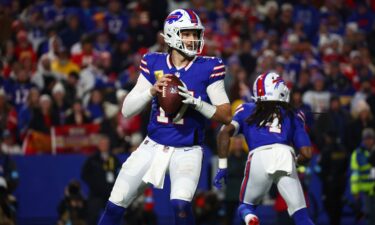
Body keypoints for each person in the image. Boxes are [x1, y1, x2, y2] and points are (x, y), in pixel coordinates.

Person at [98, 9, 231, 225]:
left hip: (188, 149)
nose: (193, 39)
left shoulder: (209, 67)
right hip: (152, 145)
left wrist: (196, 102)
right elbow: (127, 110)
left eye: (195, 34)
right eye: (187, 34)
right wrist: (150, 92)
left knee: (181, 206)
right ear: (171, 34)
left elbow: (226, 115)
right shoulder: (153, 62)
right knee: (116, 202)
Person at [214, 72, 314, 225]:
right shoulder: (294, 113)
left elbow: (224, 133)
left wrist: (222, 166)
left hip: (258, 156)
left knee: (245, 206)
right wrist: (295, 162)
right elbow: (307, 153)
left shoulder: (246, 109)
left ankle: (251, 218)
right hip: (285, 155)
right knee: (301, 216)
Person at [81, 134, 120, 225]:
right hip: (96, 194)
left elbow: (119, 172)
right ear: (99, 145)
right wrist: (94, 184)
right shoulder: (93, 159)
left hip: (110, 195)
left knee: (114, 216)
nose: (104, 146)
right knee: (92, 217)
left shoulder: (113, 158)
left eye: (106, 144)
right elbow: (84, 174)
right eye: (102, 144)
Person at [350, 128, 375, 225]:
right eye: (366, 139)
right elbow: (355, 175)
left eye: (370, 138)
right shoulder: (357, 154)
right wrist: (355, 191)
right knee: (368, 215)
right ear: (363, 140)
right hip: (366, 191)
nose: (368, 141)